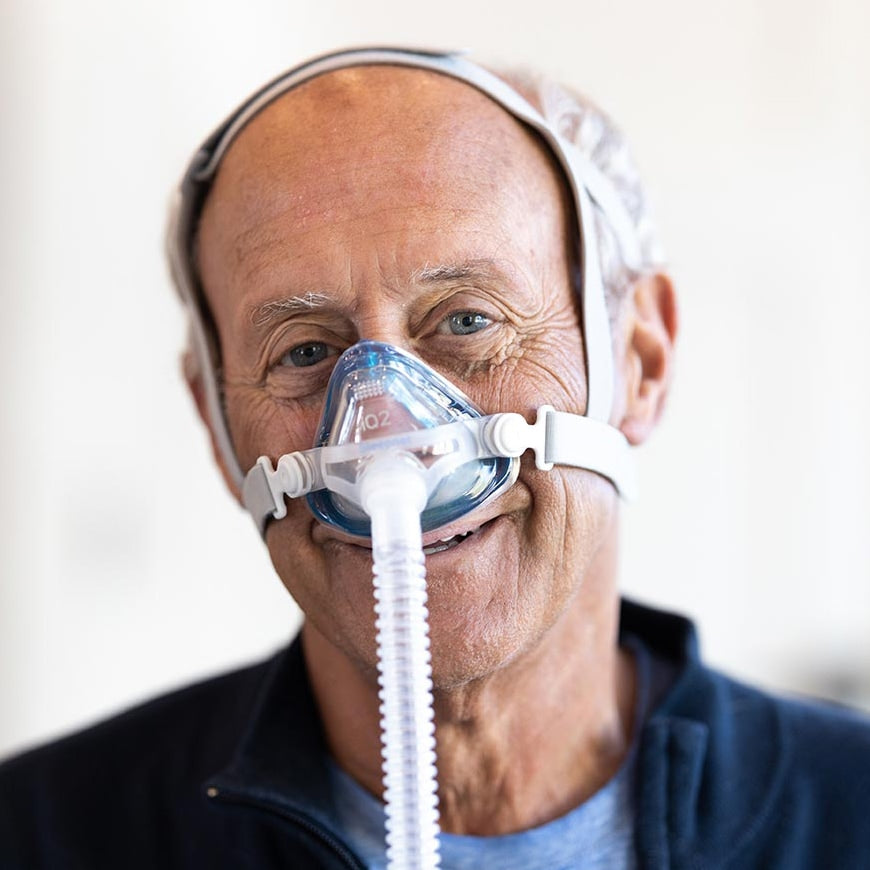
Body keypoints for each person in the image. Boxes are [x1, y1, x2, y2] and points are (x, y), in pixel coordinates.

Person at [1, 45, 869, 870]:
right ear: (218, 430)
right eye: (305, 351)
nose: (387, 431)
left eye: (467, 320)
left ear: (641, 361)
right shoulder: (44, 835)